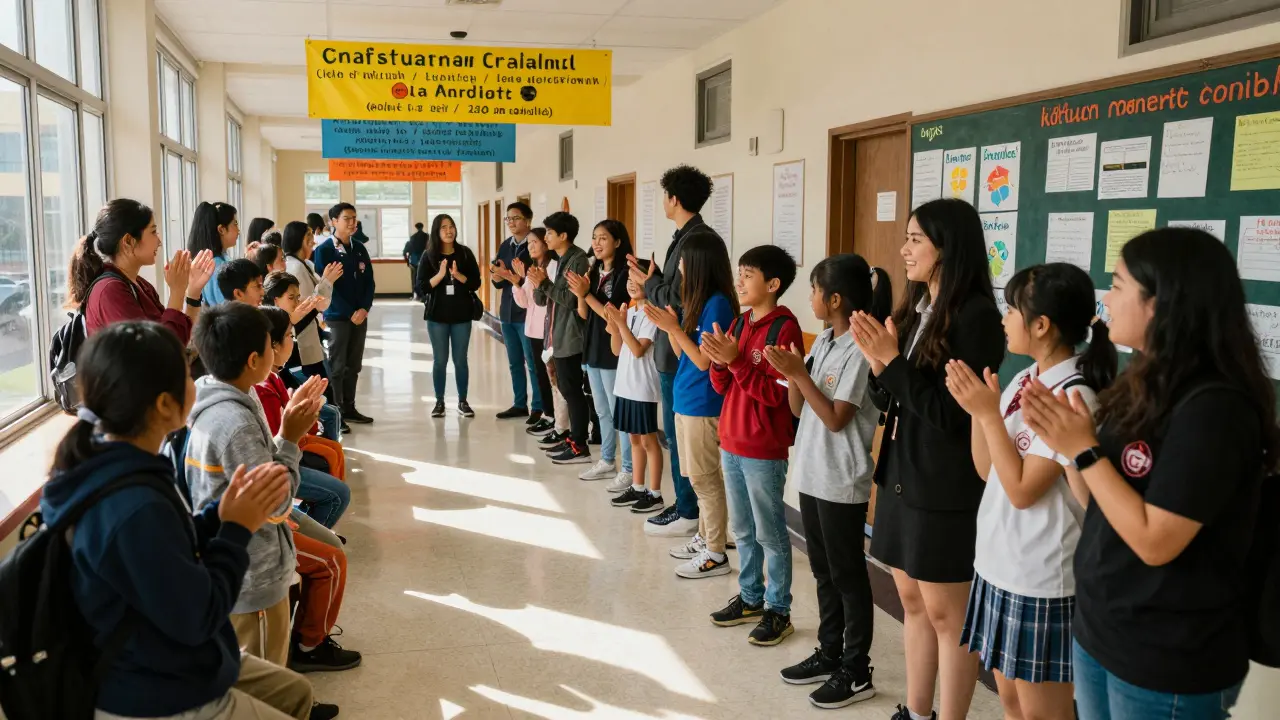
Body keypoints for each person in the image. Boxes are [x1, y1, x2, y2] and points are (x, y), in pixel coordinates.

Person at [1020, 228, 1277, 720]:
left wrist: (1085, 450)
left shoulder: (1216, 408)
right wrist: (1070, 449)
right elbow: (1103, 503)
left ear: (1160, 303)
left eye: (1117, 285)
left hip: (1169, 652)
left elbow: (1156, 541)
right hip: (1103, 628)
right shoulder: (1141, 382)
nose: (1107, 298)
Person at [40, 321, 323, 720]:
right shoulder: (133, 505)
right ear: (162, 404)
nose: (198, 379)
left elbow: (172, 548)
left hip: (171, 657)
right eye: (187, 373)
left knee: (294, 692)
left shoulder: (121, 463)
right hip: (155, 688)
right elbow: (198, 615)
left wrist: (217, 517)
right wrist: (236, 529)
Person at [851, 197, 1005, 720]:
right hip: (901, 474)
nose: (905, 249)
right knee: (910, 603)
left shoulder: (976, 317)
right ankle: (918, 712)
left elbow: (952, 413)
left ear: (948, 246)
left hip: (945, 484)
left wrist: (892, 364)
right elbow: (894, 398)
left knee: (947, 615)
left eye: (916, 239)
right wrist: (879, 366)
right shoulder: (917, 310)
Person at [944, 263, 1116, 720]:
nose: (1003, 319)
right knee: (1013, 703)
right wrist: (982, 414)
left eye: (1011, 310)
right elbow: (988, 471)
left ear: (1041, 324)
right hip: (999, 565)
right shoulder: (1024, 380)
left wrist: (987, 413)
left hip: (1041, 579)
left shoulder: (1073, 397)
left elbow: (1021, 491)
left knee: (1045, 714)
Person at [768, 254, 893, 709]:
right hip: (811, 473)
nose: (811, 298)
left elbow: (839, 419)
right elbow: (801, 411)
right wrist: (793, 373)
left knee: (847, 576)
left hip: (842, 480)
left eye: (816, 290)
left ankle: (857, 670)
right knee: (823, 572)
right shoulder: (822, 339)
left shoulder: (863, 347)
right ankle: (830, 651)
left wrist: (800, 373)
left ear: (835, 298)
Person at [184, 302, 327, 667]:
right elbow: (276, 504)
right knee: (265, 685)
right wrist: (290, 437)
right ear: (252, 360)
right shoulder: (236, 424)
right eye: (269, 344)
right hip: (252, 580)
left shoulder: (219, 393)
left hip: (241, 571)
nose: (276, 351)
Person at [699, 245, 803, 645]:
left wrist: (737, 362)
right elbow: (724, 387)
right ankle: (750, 598)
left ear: (772, 284)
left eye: (748, 274)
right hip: (732, 441)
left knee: (770, 533)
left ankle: (779, 609)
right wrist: (721, 362)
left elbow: (780, 397)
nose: (739, 281)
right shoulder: (741, 324)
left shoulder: (784, 329)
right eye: (739, 273)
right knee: (741, 529)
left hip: (763, 448)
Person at [628, 165, 720, 538]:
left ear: (674, 199)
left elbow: (678, 298)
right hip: (675, 347)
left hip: (681, 348)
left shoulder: (696, 241)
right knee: (676, 436)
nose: (663, 202)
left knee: (683, 442)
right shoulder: (687, 235)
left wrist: (649, 284)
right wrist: (650, 281)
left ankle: (688, 510)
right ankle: (685, 504)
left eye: (665, 196)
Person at [643, 233, 739, 568]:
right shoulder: (698, 299)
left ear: (699, 264)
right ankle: (707, 536)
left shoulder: (718, 304)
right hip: (687, 398)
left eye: (684, 260)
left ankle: (715, 551)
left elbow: (704, 361)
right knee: (697, 476)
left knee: (704, 478)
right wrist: (671, 326)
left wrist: (674, 327)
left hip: (703, 401)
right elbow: (685, 350)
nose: (679, 266)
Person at [256, 306, 350, 529]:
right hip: (277, 470)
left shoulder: (274, 377)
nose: (293, 341)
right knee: (338, 494)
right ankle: (302, 541)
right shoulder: (263, 389)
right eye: (289, 336)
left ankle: (309, 526)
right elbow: (280, 446)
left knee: (332, 452)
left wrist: (301, 407)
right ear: (272, 344)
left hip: (285, 459)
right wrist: (303, 412)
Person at [69, 198, 214, 342]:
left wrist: (193, 293)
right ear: (128, 241)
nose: (159, 242)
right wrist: (177, 292)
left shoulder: (139, 284)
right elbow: (158, 352)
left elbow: (180, 339)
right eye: (153, 232)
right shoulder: (109, 290)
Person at [567, 220, 634, 484]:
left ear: (617, 242)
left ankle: (627, 468)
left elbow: (613, 314)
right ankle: (607, 460)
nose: (596, 243)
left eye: (603, 238)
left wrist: (588, 294)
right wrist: (581, 294)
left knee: (619, 412)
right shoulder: (593, 272)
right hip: (592, 347)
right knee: (602, 411)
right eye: (594, 237)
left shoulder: (625, 274)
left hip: (613, 349)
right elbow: (584, 313)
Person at [600, 259, 665, 514]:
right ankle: (638, 487)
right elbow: (617, 349)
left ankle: (655, 493)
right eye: (628, 279)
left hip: (642, 388)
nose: (631, 284)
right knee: (634, 440)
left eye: (637, 279)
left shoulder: (650, 313)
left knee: (649, 442)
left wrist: (622, 324)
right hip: (624, 387)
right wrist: (616, 326)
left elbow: (638, 350)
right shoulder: (631, 310)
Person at [530, 211, 592, 465]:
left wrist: (544, 283)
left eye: (550, 234)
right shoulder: (561, 258)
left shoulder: (577, 261)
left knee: (572, 390)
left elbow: (570, 300)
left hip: (571, 335)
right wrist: (539, 283)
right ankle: (573, 438)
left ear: (563, 235)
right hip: (558, 334)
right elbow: (545, 299)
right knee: (566, 389)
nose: (546, 238)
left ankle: (579, 444)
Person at [314, 202, 376, 425]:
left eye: (354, 218)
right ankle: (336, 411)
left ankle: (349, 407)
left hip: (360, 316)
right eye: (347, 218)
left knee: (354, 364)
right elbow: (328, 287)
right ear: (333, 222)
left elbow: (369, 282)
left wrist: (364, 309)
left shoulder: (359, 248)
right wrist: (350, 311)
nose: (352, 223)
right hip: (337, 316)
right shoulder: (324, 251)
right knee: (337, 365)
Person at [415, 213, 482, 418]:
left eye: (451, 226)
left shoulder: (464, 253)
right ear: (437, 231)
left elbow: (476, 283)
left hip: (462, 315)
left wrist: (459, 276)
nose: (449, 230)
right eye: (444, 227)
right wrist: (441, 275)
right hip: (437, 316)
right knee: (440, 360)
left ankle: (462, 401)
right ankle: (439, 402)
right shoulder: (429, 256)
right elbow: (421, 288)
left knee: (460, 360)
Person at [489, 202, 545, 423]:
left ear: (528, 220)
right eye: (508, 219)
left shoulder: (534, 246)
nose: (511, 222)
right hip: (508, 312)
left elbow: (534, 280)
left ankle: (538, 406)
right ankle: (519, 403)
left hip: (528, 314)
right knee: (514, 361)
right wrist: (496, 276)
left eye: (516, 218)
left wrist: (512, 277)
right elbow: (498, 279)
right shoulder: (505, 245)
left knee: (532, 362)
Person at [282, 221, 342, 404]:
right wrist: (326, 282)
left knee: (319, 380)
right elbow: (312, 304)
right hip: (303, 334)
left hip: (310, 332)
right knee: (317, 384)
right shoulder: (295, 267)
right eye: (308, 237)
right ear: (298, 240)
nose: (313, 241)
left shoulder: (305, 264)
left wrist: (326, 282)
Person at [511, 227, 558, 437]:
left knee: (552, 377)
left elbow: (551, 300)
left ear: (546, 243)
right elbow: (524, 303)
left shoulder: (554, 267)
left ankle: (556, 417)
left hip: (547, 330)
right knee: (539, 375)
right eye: (528, 243)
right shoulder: (532, 269)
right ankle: (548, 414)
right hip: (532, 329)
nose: (530, 246)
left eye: (535, 242)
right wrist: (517, 282)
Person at [188, 202, 241, 307]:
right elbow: (229, 309)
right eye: (235, 224)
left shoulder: (212, 261)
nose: (238, 230)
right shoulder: (217, 266)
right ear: (221, 229)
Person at [403, 222, 429, 300]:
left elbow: (405, 252)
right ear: (422, 227)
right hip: (424, 260)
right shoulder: (427, 237)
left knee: (414, 278)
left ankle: (416, 294)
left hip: (414, 261)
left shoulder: (412, 238)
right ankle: (423, 295)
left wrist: (408, 262)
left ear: (416, 228)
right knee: (425, 278)